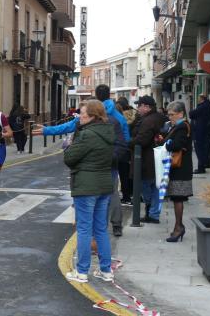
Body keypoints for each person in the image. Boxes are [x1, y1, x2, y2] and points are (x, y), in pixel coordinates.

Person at [33, 85, 129, 237]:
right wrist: (111, 158)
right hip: (110, 165)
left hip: (93, 168)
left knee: (88, 202)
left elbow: (68, 129)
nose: (81, 115)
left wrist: (47, 130)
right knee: (111, 196)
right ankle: (113, 227)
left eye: (83, 112)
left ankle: (89, 232)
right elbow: (125, 141)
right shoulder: (118, 117)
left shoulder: (87, 119)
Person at [62, 100, 115, 283]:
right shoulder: (108, 132)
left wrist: (70, 142)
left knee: (84, 229)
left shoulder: (87, 135)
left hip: (86, 186)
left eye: (83, 114)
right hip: (104, 185)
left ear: (92, 116)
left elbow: (69, 158)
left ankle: (82, 272)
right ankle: (106, 270)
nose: (80, 117)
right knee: (100, 229)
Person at [130, 95, 167, 224]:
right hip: (155, 158)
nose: (137, 108)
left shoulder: (148, 121)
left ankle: (151, 213)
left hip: (147, 159)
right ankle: (153, 213)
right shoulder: (156, 117)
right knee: (154, 186)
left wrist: (129, 143)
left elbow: (141, 140)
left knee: (147, 185)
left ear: (146, 107)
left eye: (139, 105)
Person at [164, 101, 193, 242]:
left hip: (180, 168)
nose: (170, 117)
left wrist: (168, 144)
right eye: (168, 114)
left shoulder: (182, 127)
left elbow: (177, 145)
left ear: (181, 113)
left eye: (172, 114)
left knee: (178, 198)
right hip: (179, 167)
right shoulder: (179, 125)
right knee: (177, 198)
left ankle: (178, 227)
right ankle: (178, 226)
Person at [116, 97, 138, 205]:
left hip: (123, 148)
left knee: (123, 174)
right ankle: (132, 194)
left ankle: (126, 196)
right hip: (133, 148)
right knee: (131, 173)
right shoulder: (136, 114)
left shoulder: (119, 118)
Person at [189, 94, 210, 174]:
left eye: (198, 98)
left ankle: (201, 168)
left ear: (202, 99)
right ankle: (206, 164)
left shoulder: (202, 107)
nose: (198, 100)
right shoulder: (209, 108)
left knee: (199, 150)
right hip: (207, 132)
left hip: (200, 132)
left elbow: (191, 114)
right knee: (205, 149)